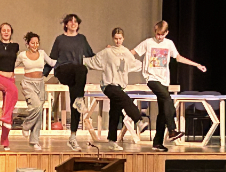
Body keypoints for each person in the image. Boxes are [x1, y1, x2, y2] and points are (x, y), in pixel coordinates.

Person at [131, 20, 206, 151]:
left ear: (167, 33)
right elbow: (133, 52)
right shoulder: (148, 43)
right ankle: (172, 129)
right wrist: (116, 52)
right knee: (167, 99)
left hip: (164, 80)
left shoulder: (169, 43)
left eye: (162, 34)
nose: (159, 37)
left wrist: (197, 65)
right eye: (157, 34)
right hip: (152, 78)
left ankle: (157, 143)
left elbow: (178, 58)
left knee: (163, 111)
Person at [83, 27, 148, 151]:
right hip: (108, 85)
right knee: (124, 98)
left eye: (120, 39)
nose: (118, 41)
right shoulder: (107, 52)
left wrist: (150, 65)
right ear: (113, 39)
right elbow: (93, 61)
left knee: (115, 111)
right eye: (116, 39)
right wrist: (76, 60)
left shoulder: (126, 53)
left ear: (123, 39)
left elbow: (135, 64)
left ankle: (112, 140)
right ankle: (138, 120)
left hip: (119, 86)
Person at [49, 14, 95, 151]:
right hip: (63, 71)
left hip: (77, 74)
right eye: (71, 21)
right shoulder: (60, 39)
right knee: (80, 68)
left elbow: (92, 55)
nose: (73, 23)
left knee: (75, 102)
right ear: (66, 24)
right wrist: (43, 74)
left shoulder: (82, 39)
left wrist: (109, 53)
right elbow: (52, 57)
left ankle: (73, 137)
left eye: (76, 21)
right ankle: (80, 99)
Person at [15, 32, 56, 151]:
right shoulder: (22, 55)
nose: (35, 45)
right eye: (32, 43)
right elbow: (12, 66)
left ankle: (35, 141)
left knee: (39, 113)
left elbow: (53, 63)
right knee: (36, 106)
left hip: (40, 83)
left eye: (37, 43)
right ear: (27, 44)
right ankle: (26, 126)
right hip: (28, 83)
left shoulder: (42, 53)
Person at [0, 23, 20, 151]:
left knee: (7, 108)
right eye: (3, 30)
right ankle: (5, 118)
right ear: (0, 32)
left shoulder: (15, 46)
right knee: (14, 90)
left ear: (11, 32)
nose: (6, 32)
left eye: (8, 30)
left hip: (10, 78)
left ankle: (5, 141)